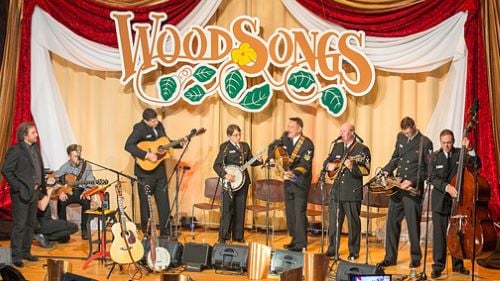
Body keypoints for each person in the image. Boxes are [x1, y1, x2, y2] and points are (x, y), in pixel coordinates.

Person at [378, 117, 433, 269]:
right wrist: (385, 171)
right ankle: (390, 257)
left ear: (414, 127)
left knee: (412, 225)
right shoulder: (400, 137)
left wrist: (413, 181)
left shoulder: (425, 142)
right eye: (405, 133)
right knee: (392, 223)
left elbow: (427, 170)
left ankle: (415, 258)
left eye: (409, 133)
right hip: (397, 187)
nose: (407, 136)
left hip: (412, 190)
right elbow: (395, 158)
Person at [125, 108, 183, 236]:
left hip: (160, 172)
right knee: (145, 203)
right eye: (153, 121)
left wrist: (179, 143)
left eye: (156, 120)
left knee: (164, 201)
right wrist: (146, 155)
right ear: (146, 121)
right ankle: (147, 232)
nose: (156, 122)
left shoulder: (159, 125)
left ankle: (166, 231)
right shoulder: (139, 128)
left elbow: (165, 142)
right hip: (145, 173)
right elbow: (128, 145)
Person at [430, 129, 478, 278]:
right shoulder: (434, 157)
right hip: (439, 202)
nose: (447, 146)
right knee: (439, 237)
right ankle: (438, 266)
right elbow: (431, 177)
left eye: (449, 142)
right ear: (440, 142)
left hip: (457, 203)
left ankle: (458, 265)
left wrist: (470, 150)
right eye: (444, 143)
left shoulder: (460, 154)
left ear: (453, 141)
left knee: (457, 234)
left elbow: (477, 165)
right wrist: (447, 187)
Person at [324, 123, 371, 260]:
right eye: (341, 130)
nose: (342, 132)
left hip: (352, 192)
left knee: (353, 224)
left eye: (344, 131)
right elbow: (327, 161)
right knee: (334, 223)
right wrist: (329, 165)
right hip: (336, 191)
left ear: (352, 132)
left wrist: (352, 166)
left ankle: (354, 251)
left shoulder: (362, 149)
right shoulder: (337, 146)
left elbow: (366, 170)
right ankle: (332, 249)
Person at [1, 122, 44, 267]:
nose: (36, 135)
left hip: (35, 192)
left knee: (30, 224)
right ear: (25, 135)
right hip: (21, 193)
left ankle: (26, 252)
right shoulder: (16, 150)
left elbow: (39, 169)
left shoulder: (35, 149)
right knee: (19, 225)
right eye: (33, 133)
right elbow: (6, 170)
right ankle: (16, 256)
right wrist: (17, 186)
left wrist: (41, 188)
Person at [270, 117, 314, 252]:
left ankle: (302, 243)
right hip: (288, 183)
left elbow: (305, 164)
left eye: (292, 127)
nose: (288, 129)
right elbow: (272, 147)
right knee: (290, 213)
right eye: (288, 127)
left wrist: (293, 172)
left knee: (299, 212)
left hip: (300, 183)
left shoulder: (307, 144)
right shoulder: (285, 139)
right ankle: (294, 239)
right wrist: (272, 159)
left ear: (299, 129)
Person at [213, 124, 262, 243]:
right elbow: (216, 165)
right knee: (227, 210)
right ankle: (224, 236)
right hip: (229, 184)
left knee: (240, 209)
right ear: (229, 136)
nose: (238, 137)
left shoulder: (244, 146)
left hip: (243, 182)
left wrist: (259, 160)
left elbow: (250, 160)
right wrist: (226, 175)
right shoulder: (224, 147)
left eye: (239, 134)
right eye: (235, 135)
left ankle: (238, 236)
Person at [56, 144, 94, 240]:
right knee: (61, 202)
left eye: (78, 156)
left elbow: (90, 181)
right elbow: (56, 181)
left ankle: (84, 229)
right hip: (69, 192)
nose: (77, 158)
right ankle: (63, 232)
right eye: (75, 156)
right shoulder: (64, 167)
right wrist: (61, 191)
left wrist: (86, 192)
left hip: (82, 191)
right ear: (69, 156)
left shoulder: (87, 166)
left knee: (86, 201)